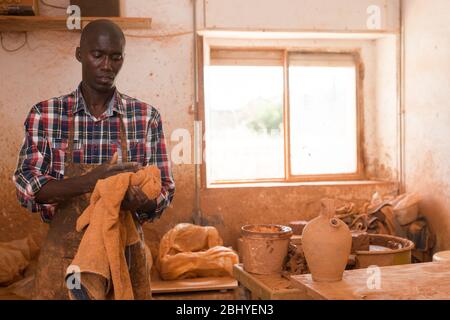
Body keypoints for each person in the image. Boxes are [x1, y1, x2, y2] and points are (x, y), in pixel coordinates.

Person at [13, 19, 175, 299]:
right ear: (80, 55)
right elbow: (28, 186)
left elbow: (164, 190)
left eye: (115, 57)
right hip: (66, 258)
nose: (106, 65)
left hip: (124, 258)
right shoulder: (47, 114)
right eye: (97, 55)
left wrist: (142, 202)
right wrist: (90, 182)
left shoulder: (146, 117)